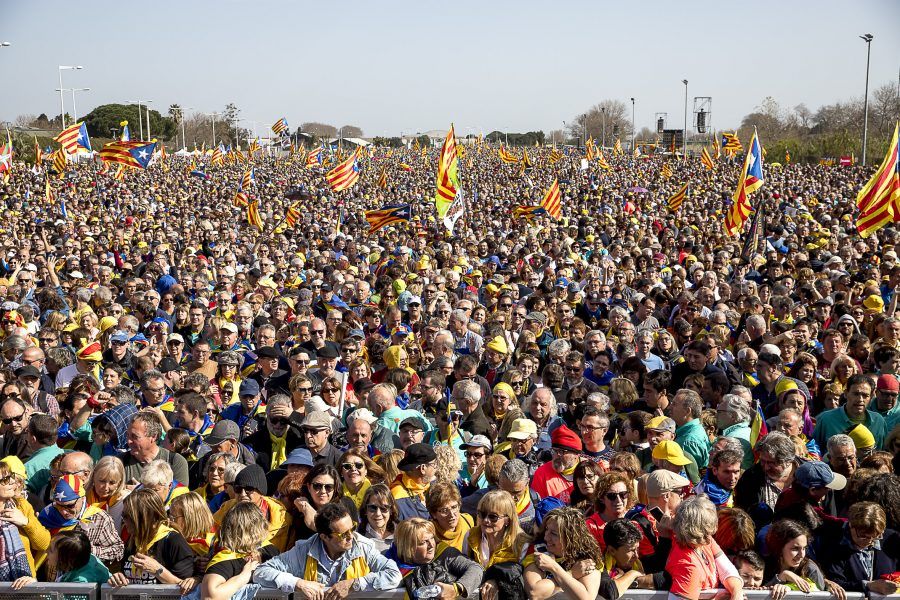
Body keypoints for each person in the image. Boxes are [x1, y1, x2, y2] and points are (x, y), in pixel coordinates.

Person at [253, 501, 402, 595]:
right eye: (343, 534)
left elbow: (394, 574)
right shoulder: (303, 550)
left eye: (353, 528)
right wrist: (298, 583)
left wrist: (354, 584)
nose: (351, 536)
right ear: (324, 537)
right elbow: (261, 573)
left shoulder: (363, 547)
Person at [108, 488, 196, 589]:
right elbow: (129, 576)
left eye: (128, 516)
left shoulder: (173, 541)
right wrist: (119, 577)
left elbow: (187, 588)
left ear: (147, 517)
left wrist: (157, 570)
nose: (124, 520)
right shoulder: (133, 540)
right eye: (123, 515)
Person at [665, 496, 744, 600]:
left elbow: (727, 569)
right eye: (706, 530)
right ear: (696, 530)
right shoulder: (689, 567)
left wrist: (736, 592)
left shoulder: (703, 541)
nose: (711, 534)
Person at [37, 474, 123, 568]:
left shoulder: (100, 518)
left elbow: (118, 550)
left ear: (82, 498)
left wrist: (87, 551)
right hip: (49, 579)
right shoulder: (47, 514)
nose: (64, 512)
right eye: (59, 505)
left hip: (82, 580)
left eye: (70, 506)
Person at [388, 517, 484, 600]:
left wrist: (456, 589)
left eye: (432, 538)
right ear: (407, 547)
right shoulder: (389, 561)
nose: (431, 545)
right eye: (423, 542)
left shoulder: (446, 554)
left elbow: (476, 569)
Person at [201, 501, 279, 600]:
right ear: (261, 526)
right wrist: (243, 577)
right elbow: (210, 597)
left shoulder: (270, 550)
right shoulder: (225, 559)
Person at [820, 501, 900, 594]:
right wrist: (868, 585)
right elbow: (834, 583)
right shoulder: (834, 544)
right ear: (850, 525)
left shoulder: (891, 540)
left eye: (876, 536)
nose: (869, 541)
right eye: (863, 536)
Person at [524, 507, 604, 600]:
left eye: (553, 534)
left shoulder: (587, 560)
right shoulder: (539, 556)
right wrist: (571, 574)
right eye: (546, 529)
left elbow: (585, 598)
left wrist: (554, 568)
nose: (546, 537)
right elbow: (534, 593)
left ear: (571, 538)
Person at [463, 490, 530, 600]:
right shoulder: (471, 535)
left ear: (507, 520)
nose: (485, 520)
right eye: (481, 514)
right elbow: (466, 568)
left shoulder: (521, 543)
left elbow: (520, 581)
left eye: (493, 517)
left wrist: (498, 581)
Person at [213, 464, 291, 552]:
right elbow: (209, 534)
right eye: (238, 489)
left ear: (261, 491)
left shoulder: (283, 518)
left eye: (248, 489)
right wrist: (206, 554)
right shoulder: (227, 508)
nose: (243, 494)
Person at [763, 519, 844, 598]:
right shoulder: (764, 565)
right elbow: (758, 593)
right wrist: (781, 577)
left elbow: (820, 595)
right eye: (795, 549)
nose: (802, 555)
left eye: (804, 548)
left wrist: (827, 583)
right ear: (779, 547)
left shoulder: (809, 568)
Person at [530, 424, 581, 502]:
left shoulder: (588, 470)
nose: (557, 455)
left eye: (562, 451)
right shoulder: (542, 473)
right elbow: (539, 507)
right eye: (554, 451)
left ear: (576, 454)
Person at [390, 442, 437, 520]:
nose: (436, 468)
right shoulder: (398, 498)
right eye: (434, 464)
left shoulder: (432, 486)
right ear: (423, 468)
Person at [427, 481, 475, 552]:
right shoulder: (429, 533)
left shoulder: (467, 520)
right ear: (433, 514)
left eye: (454, 507)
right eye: (444, 510)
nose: (452, 515)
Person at [85, 455, 129, 531]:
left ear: (119, 482)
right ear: (94, 476)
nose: (106, 488)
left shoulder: (126, 502)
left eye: (112, 483)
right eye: (102, 481)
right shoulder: (82, 496)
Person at [358, 483, 398, 552]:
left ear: (391, 510)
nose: (378, 513)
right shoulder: (358, 538)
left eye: (384, 508)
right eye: (372, 508)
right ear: (365, 510)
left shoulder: (402, 534)